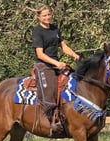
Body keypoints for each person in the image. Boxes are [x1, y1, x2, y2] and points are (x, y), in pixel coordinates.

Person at [32, 3, 80, 133]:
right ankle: (51, 120)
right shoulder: (37, 32)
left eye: (49, 14)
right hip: (44, 66)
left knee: (74, 80)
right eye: (44, 15)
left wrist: (74, 54)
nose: (47, 17)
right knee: (51, 88)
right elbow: (40, 54)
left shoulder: (55, 29)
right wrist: (56, 63)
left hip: (56, 64)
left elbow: (63, 46)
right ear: (39, 17)